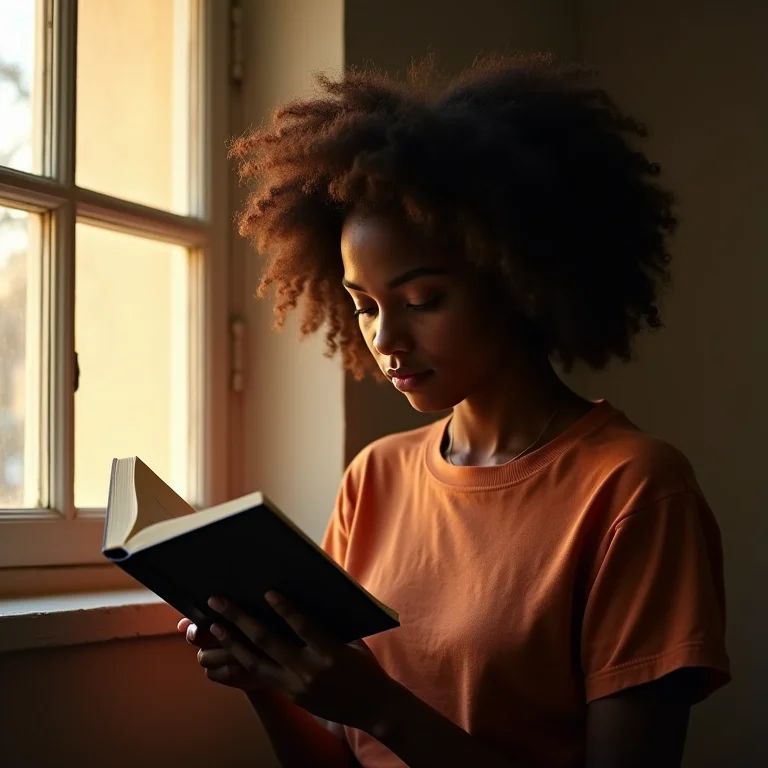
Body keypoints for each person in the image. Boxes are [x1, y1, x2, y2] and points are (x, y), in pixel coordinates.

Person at [177, 54, 730, 767]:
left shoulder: (635, 491)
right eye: (365, 305)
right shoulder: (374, 479)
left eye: (422, 301)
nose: (386, 339)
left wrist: (379, 705)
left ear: (517, 278)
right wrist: (269, 683)